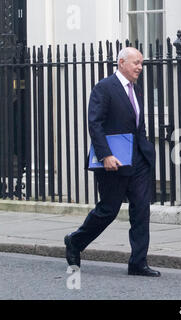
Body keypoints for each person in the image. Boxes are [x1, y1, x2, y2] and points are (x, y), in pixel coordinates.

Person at [64, 47, 160, 277]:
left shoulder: (136, 90)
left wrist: (145, 151)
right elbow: (94, 123)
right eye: (136, 62)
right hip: (113, 161)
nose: (139, 67)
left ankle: (138, 262)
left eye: (141, 63)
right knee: (108, 210)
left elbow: (138, 125)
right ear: (121, 62)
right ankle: (75, 242)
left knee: (141, 211)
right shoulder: (104, 88)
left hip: (137, 160)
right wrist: (105, 154)